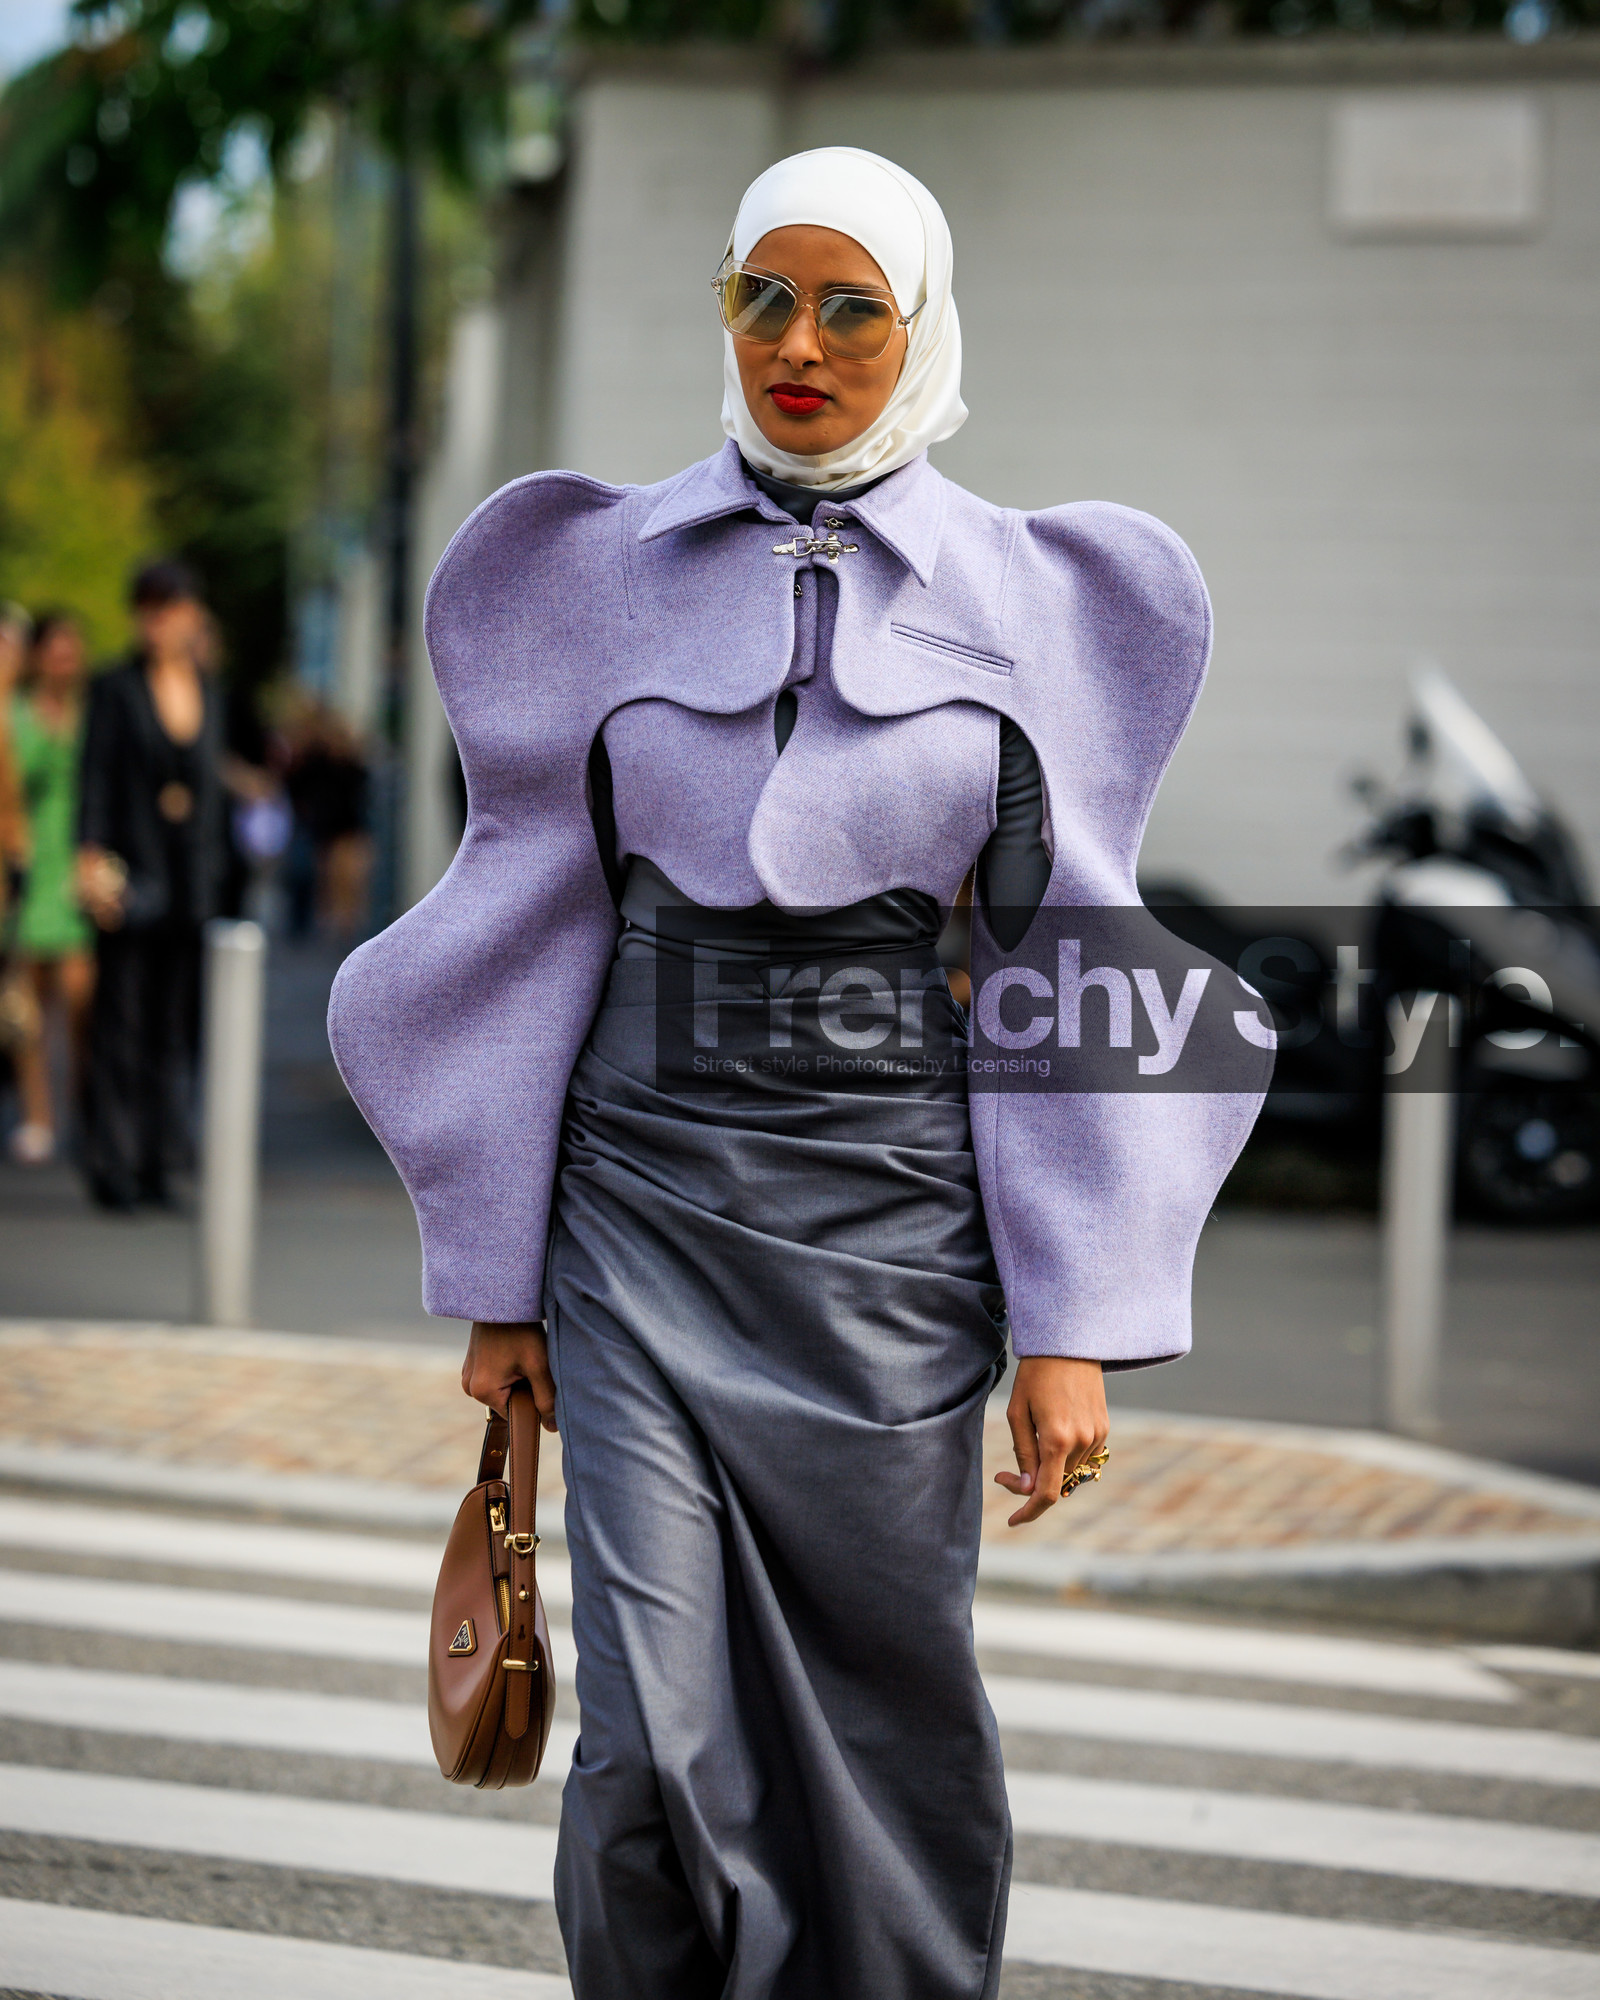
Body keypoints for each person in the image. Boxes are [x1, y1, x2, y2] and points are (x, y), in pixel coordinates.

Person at [330, 149, 1269, 1998]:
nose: (802, 345)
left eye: (852, 306)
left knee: (884, 1682)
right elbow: (535, 926)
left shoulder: (1039, 596)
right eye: (763, 297)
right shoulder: (587, 569)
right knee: (647, 1729)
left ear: (918, 327)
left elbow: (1054, 952)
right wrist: (499, 1278)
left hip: (895, 1241)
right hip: (638, 1213)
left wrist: (1071, 1317)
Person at [78, 560, 226, 1210]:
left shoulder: (209, 686)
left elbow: (214, 787)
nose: (162, 621)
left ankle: (163, 1163)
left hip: (191, 881)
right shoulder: (114, 687)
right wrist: (90, 860)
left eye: (173, 606)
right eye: (151, 608)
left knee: (176, 1027)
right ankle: (115, 1163)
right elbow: (96, 778)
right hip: (132, 875)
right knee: (121, 1023)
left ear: (193, 614)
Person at [8, 612, 95, 1165]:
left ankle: (82, 1109)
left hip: (79, 862)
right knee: (31, 1009)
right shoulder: (13, 717)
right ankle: (39, 1114)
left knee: (83, 999)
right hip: (34, 865)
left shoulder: (91, 714)